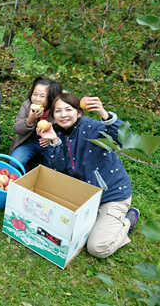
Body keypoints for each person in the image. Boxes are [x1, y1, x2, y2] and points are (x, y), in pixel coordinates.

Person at [36, 93, 140, 258]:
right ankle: (99, 219)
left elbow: (126, 140)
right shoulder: (60, 133)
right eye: (58, 111)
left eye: (68, 109)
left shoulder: (92, 127)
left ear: (79, 112)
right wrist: (54, 142)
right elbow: (60, 170)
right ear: (53, 115)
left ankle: (129, 219)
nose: (63, 115)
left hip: (110, 196)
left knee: (97, 248)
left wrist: (104, 115)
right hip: (84, 196)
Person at [8, 76, 62, 169]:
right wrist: (30, 120)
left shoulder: (58, 110)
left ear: (52, 98)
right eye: (34, 94)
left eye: (42, 96)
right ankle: (30, 159)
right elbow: (16, 129)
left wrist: (52, 141)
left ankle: (43, 164)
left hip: (49, 143)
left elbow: (65, 132)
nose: (37, 99)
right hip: (30, 139)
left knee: (56, 167)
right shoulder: (27, 106)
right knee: (15, 162)